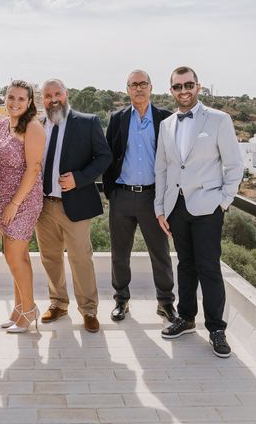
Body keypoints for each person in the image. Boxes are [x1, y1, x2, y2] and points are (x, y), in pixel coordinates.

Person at [154, 66, 243, 358]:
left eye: (188, 85)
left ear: (198, 86)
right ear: (171, 91)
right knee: (185, 266)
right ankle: (187, 318)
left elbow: (234, 165)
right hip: (176, 207)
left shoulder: (219, 119)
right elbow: (163, 168)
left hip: (208, 208)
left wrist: (224, 201)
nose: (183, 91)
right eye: (177, 87)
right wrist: (160, 207)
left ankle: (217, 329)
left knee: (209, 268)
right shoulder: (166, 124)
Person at [35, 78, 112, 333]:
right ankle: (58, 303)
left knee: (81, 258)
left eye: (57, 93)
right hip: (43, 206)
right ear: (42, 99)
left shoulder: (87, 122)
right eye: (48, 95)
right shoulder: (38, 125)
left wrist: (79, 178)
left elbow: (105, 156)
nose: (53, 99)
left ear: (66, 95)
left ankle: (88, 310)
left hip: (75, 204)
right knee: (50, 257)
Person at [103, 70, 176, 323]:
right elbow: (108, 155)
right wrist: (111, 192)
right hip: (122, 196)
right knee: (119, 253)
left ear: (151, 87)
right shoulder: (118, 119)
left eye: (142, 84)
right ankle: (121, 300)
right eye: (133, 85)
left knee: (161, 252)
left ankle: (165, 302)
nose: (138, 88)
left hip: (153, 198)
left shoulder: (165, 119)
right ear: (127, 89)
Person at [0, 80, 46, 333]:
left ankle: (30, 309)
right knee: (15, 256)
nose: (14, 103)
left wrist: (13, 204)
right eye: (11, 97)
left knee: (14, 255)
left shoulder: (32, 127)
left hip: (23, 199)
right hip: (1, 198)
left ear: (30, 102)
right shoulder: (1, 125)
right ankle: (19, 307)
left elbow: (33, 168)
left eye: (21, 99)